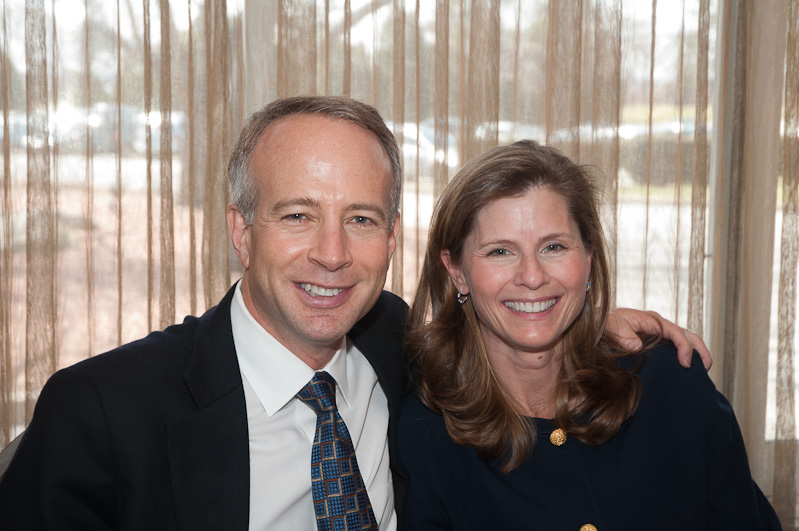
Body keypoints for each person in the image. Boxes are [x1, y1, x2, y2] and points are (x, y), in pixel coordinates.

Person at [0, 97, 709, 530]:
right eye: (298, 215)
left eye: (361, 219)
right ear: (241, 230)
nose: (332, 255)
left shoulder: (397, 345)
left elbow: (505, 317)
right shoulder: (103, 413)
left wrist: (582, 319)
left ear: (392, 239)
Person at [398, 140, 780, 530]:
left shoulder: (672, 383)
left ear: (588, 257)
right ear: (457, 272)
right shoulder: (424, 433)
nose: (532, 276)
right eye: (500, 251)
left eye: (553, 247)